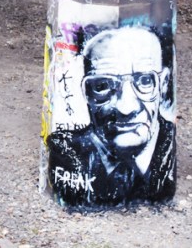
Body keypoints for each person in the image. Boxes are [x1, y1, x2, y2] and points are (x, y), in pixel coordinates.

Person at [47, 26, 176, 207]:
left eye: (145, 81)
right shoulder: (67, 150)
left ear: (163, 85)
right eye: (102, 86)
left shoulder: (169, 148)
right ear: (85, 92)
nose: (126, 108)